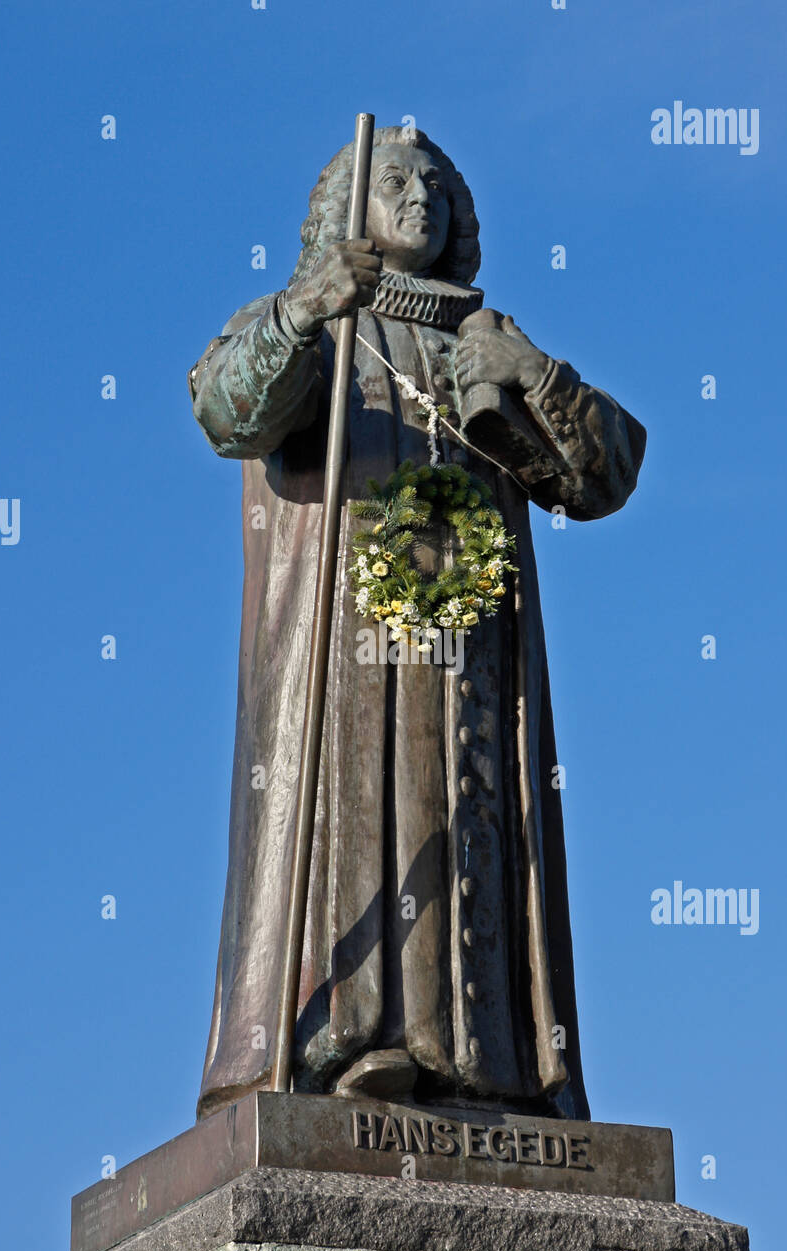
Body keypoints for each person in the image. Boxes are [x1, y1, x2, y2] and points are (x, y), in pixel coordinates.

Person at [189, 126, 645, 1122]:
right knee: (356, 807)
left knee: (467, 811)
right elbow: (228, 413)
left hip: (470, 655)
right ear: (341, 211)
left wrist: (531, 371)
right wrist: (306, 303)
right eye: (390, 181)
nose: (418, 196)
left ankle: (488, 1062)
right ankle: (339, 1041)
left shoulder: (482, 345)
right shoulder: (317, 329)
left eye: (436, 184)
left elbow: (600, 477)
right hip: (344, 651)